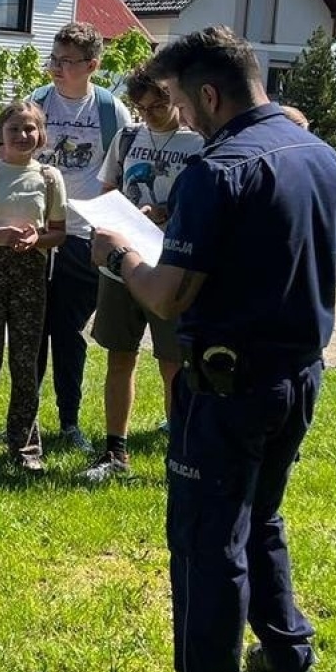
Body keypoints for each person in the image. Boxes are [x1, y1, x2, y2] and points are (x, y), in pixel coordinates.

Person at [90, 26, 336, 672]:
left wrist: (117, 257)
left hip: (227, 387)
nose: (180, 114)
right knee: (260, 520)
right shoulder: (323, 158)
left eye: (180, 99)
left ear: (210, 93)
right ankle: (289, 659)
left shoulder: (218, 168)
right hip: (297, 377)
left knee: (210, 541)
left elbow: (169, 294)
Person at [83, 71, 203, 483]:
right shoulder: (129, 137)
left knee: (174, 364)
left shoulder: (200, 142)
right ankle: (114, 453)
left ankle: (180, 456)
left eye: (157, 106)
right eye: (142, 108)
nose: (149, 115)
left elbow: (207, 205)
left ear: (173, 97)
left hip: (170, 267)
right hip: (121, 267)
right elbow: (108, 190)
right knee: (120, 356)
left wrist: (166, 214)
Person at [32, 23, 130, 453]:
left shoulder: (112, 111)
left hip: (83, 238)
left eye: (66, 62)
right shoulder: (35, 103)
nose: (56, 68)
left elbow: (125, 175)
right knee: (31, 329)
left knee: (68, 331)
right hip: (35, 236)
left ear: (92, 65)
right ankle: (25, 419)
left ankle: (69, 421)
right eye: (53, 58)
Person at [0, 100, 67, 472]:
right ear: (0, 135)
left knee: (25, 364)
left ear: (41, 134)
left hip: (30, 275)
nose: (22, 136)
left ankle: (24, 447)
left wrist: (37, 239)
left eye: (29, 129)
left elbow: (58, 234)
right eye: (14, 129)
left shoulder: (50, 178)